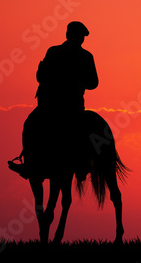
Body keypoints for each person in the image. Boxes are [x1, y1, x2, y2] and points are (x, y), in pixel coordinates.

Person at [9, 21, 98, 180]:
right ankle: (29, 163)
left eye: (82, 37)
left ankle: (82, 163)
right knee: (30, 124)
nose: (80, 39)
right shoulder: (56, 52)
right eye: (79, 36)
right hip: (53, 104)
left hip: (69, 105)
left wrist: (73, 80)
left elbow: (94, 83)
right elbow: (40, 77)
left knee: (77, 131)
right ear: (69, 35)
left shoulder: (82, 56)